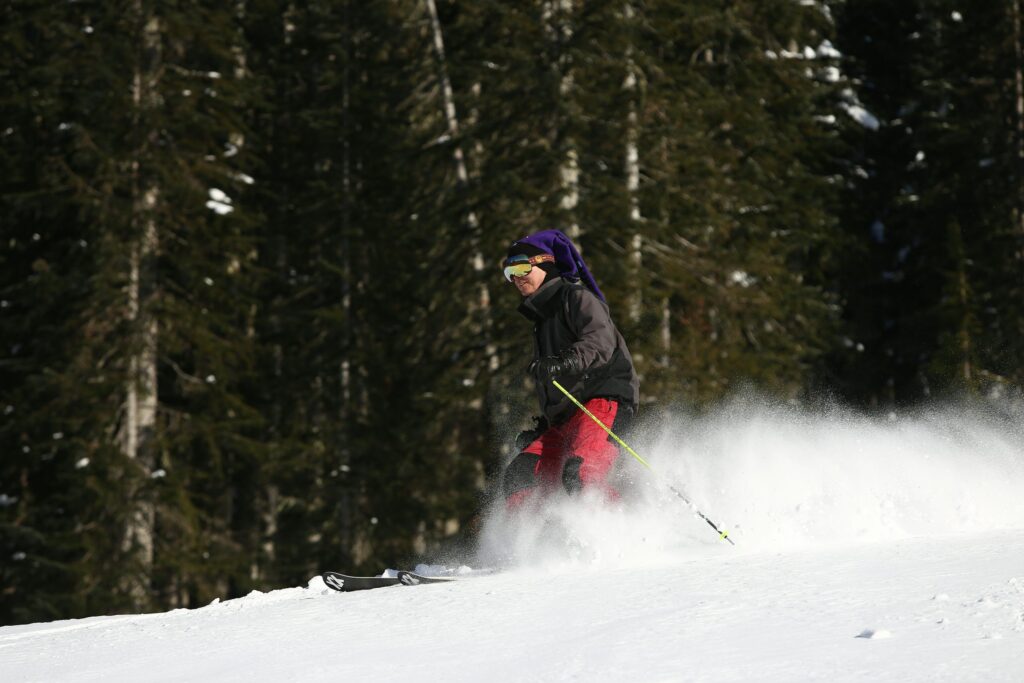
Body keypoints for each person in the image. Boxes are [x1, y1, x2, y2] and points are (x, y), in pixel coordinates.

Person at [501, 229, 639, 508]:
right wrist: (547, 424)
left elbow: (600, 340)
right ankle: (538, 545)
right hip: (566, 421)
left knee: (580, 474)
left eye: (521, 266)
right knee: (520, 477)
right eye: (509, 272)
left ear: (546, 263)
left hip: (602, 404)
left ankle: (629, 531)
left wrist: (566, 361)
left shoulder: (575, 297)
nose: (516, 277)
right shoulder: (542, 319)